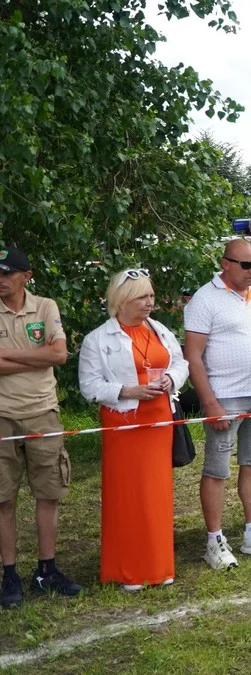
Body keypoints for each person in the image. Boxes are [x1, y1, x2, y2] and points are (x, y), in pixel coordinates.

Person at [185, 240, 251, 570]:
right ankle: (214, 540)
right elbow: (193, 356)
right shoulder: (205, 299)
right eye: (246, 265)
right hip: (225, 397)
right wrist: (210, 401)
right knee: (217, 469)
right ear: (225, 264)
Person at [79, 269, 188, 591]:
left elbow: (180, 363)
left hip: (159, 421)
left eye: (151, 296)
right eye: (143, 296)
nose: (150, 303)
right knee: (127, 496)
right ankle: (127, 569)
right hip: (123, 424)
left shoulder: (160, 330)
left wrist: (171, 380)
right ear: (122, 300)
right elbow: (90, 386)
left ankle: (159, 565)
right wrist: (127, 391)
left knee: (157, 494)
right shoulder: (97, 339)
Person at [0, 247, 80, 607]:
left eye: (7, 273)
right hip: (2, 415)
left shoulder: (45, 306)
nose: (1, 280)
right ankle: (10, 575)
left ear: (26, 275)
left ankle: (46, 570)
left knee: (48, 494)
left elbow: (59, 355)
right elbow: (48, 355)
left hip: (43, 412)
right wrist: (38, 357)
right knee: (3, 498)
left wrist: (8, 357)